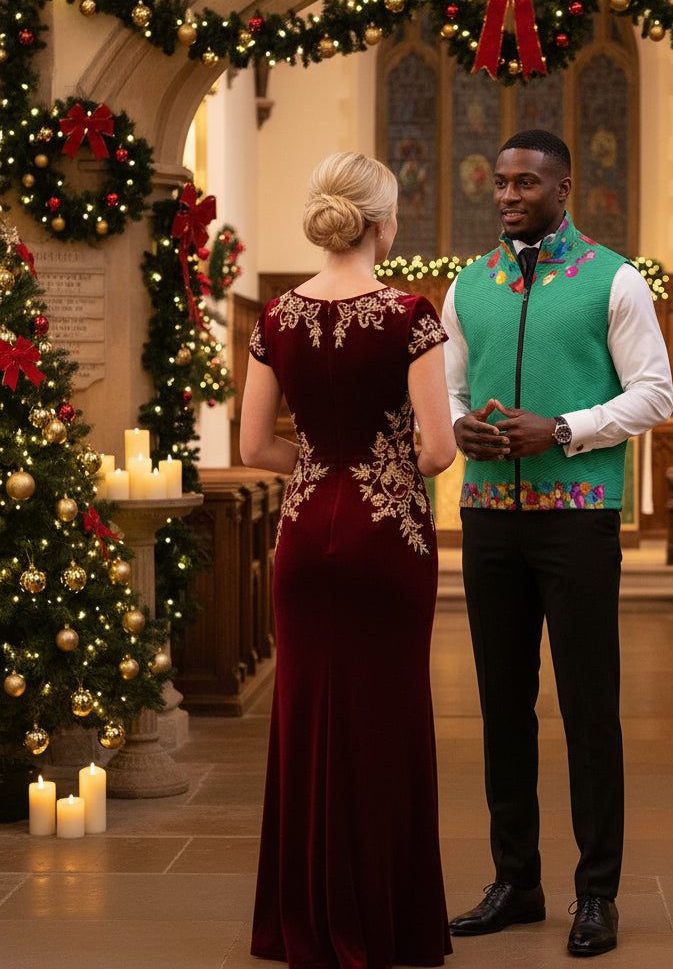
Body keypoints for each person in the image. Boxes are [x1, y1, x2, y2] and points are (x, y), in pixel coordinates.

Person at [441, 129, 673, 957]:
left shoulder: (614, 281)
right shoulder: (469, 286)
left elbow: (655, 394)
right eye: (500, 183)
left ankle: (597, 893)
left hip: (577, 518)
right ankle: (516, 881)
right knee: (502, 705)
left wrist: (566, 428)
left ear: (565, 188)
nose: (508, 195)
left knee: (587, 709)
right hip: (489, 519)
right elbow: (451, 388)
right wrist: (463, 426)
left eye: (526, 184)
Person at [241, 151, 456, 969]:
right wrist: (380, 460)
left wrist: (320, 462)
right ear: (383, 222)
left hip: (304, 533)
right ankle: (386, 924)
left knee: (303, 723)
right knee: (386, 720)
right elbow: (437, 451)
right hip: (385, 536)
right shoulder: (410, 314)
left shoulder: (274, 318)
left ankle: (299, 921)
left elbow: (256, 443)